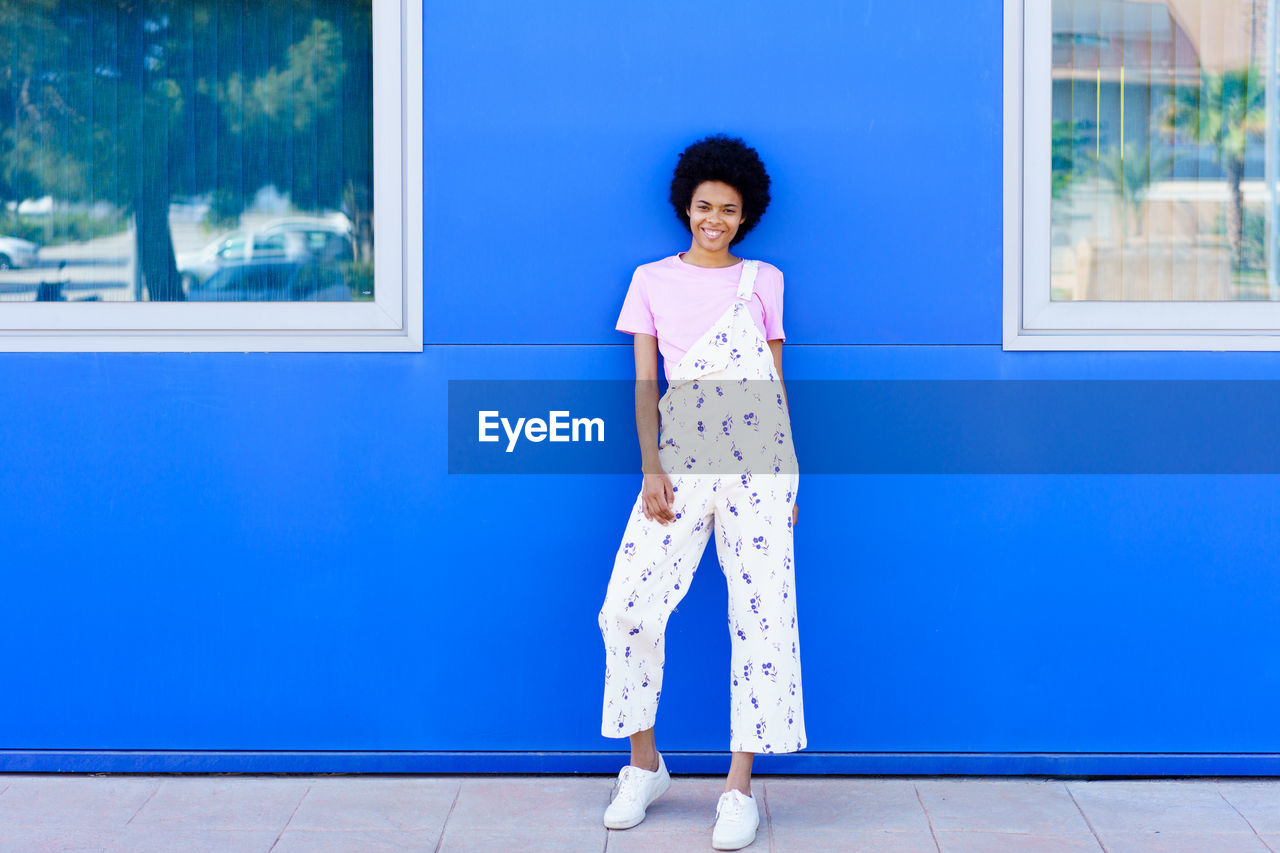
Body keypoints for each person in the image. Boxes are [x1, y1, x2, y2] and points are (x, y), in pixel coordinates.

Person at [597, 135, 805, 851]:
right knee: (627, 606)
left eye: (728, 209)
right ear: (686, 205)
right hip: (680, 458)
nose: (713, 218)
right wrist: (651, 466)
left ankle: (738, 788)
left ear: (745, 217)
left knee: (763, 617)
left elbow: (774, 384)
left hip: (757, 465)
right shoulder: (651, 279)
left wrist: (788, 474)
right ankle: (643, 765)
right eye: (703, 206)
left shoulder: (763, 281)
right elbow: (645, 383)